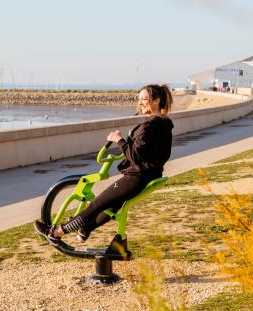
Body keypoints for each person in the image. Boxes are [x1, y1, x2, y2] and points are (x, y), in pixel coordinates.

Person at [46, 84, 173, 242]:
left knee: (95, 206)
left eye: (144, 98)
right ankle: (85, 229)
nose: (140, 102)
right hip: (149, 176)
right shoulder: (165, 124)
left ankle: (57, 233)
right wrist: (133, 139)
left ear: (156, 100)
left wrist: (119, 140)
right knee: (113, 205)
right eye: (139, 98)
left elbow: (135, 156)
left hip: (135, 178)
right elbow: (153, 153)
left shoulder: (147, 127)